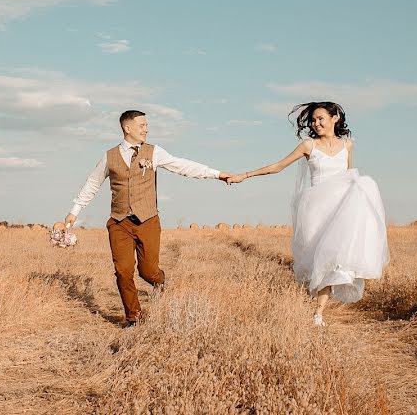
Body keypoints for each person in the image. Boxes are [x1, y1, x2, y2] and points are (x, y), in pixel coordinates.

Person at [65, 109, 234, 327]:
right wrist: (73, 212)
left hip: (148, 221)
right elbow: (92, 184)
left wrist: (217, 174)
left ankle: (160, 282)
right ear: (127, 128)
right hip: (119, 222)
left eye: (146, 125)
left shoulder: (154, 152)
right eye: (142, 125)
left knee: (148, 271)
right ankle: (133, 316)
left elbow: (183, 165)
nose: (147, 128)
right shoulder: (109, 157)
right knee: (123, 271)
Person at [228, 102, 389, 326]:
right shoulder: (308, 145)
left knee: (337, 259)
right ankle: (316, 309)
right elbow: (277, 166)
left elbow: (350, 176)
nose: (316, 123)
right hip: (317, 209)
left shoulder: (348, 146)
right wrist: (244, 175)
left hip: (343, 209)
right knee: (320, 261)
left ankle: (318, 313)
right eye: (313, 120)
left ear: (335, 118)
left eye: (321, 118)